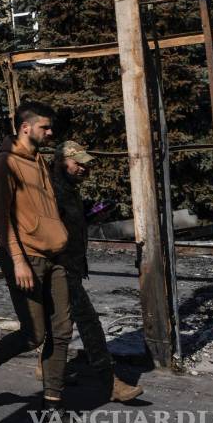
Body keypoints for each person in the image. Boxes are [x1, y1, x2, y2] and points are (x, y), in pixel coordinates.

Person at [0, 100, 93, 423]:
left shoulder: (38, 161)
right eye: (45, 127)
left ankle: (53, 406)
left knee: (62, 331)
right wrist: (18, 260)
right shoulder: (5, 163)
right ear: (26, 127)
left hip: (57, 259)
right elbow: (1, 216)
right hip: (27, 259)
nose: (51, 133)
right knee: (34, 334)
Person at [40, 140, 143, 403]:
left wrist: (90, 213)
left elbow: (70, 221)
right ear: (61, 162)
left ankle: (50, 370)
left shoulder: (69, 189)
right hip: (59, 270)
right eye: (78, 163)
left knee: (59, 325)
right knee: (89, 324)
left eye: (86, 164)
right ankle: (111, 384)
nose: (84, 169)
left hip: (70, 267)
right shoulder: (52, 190)